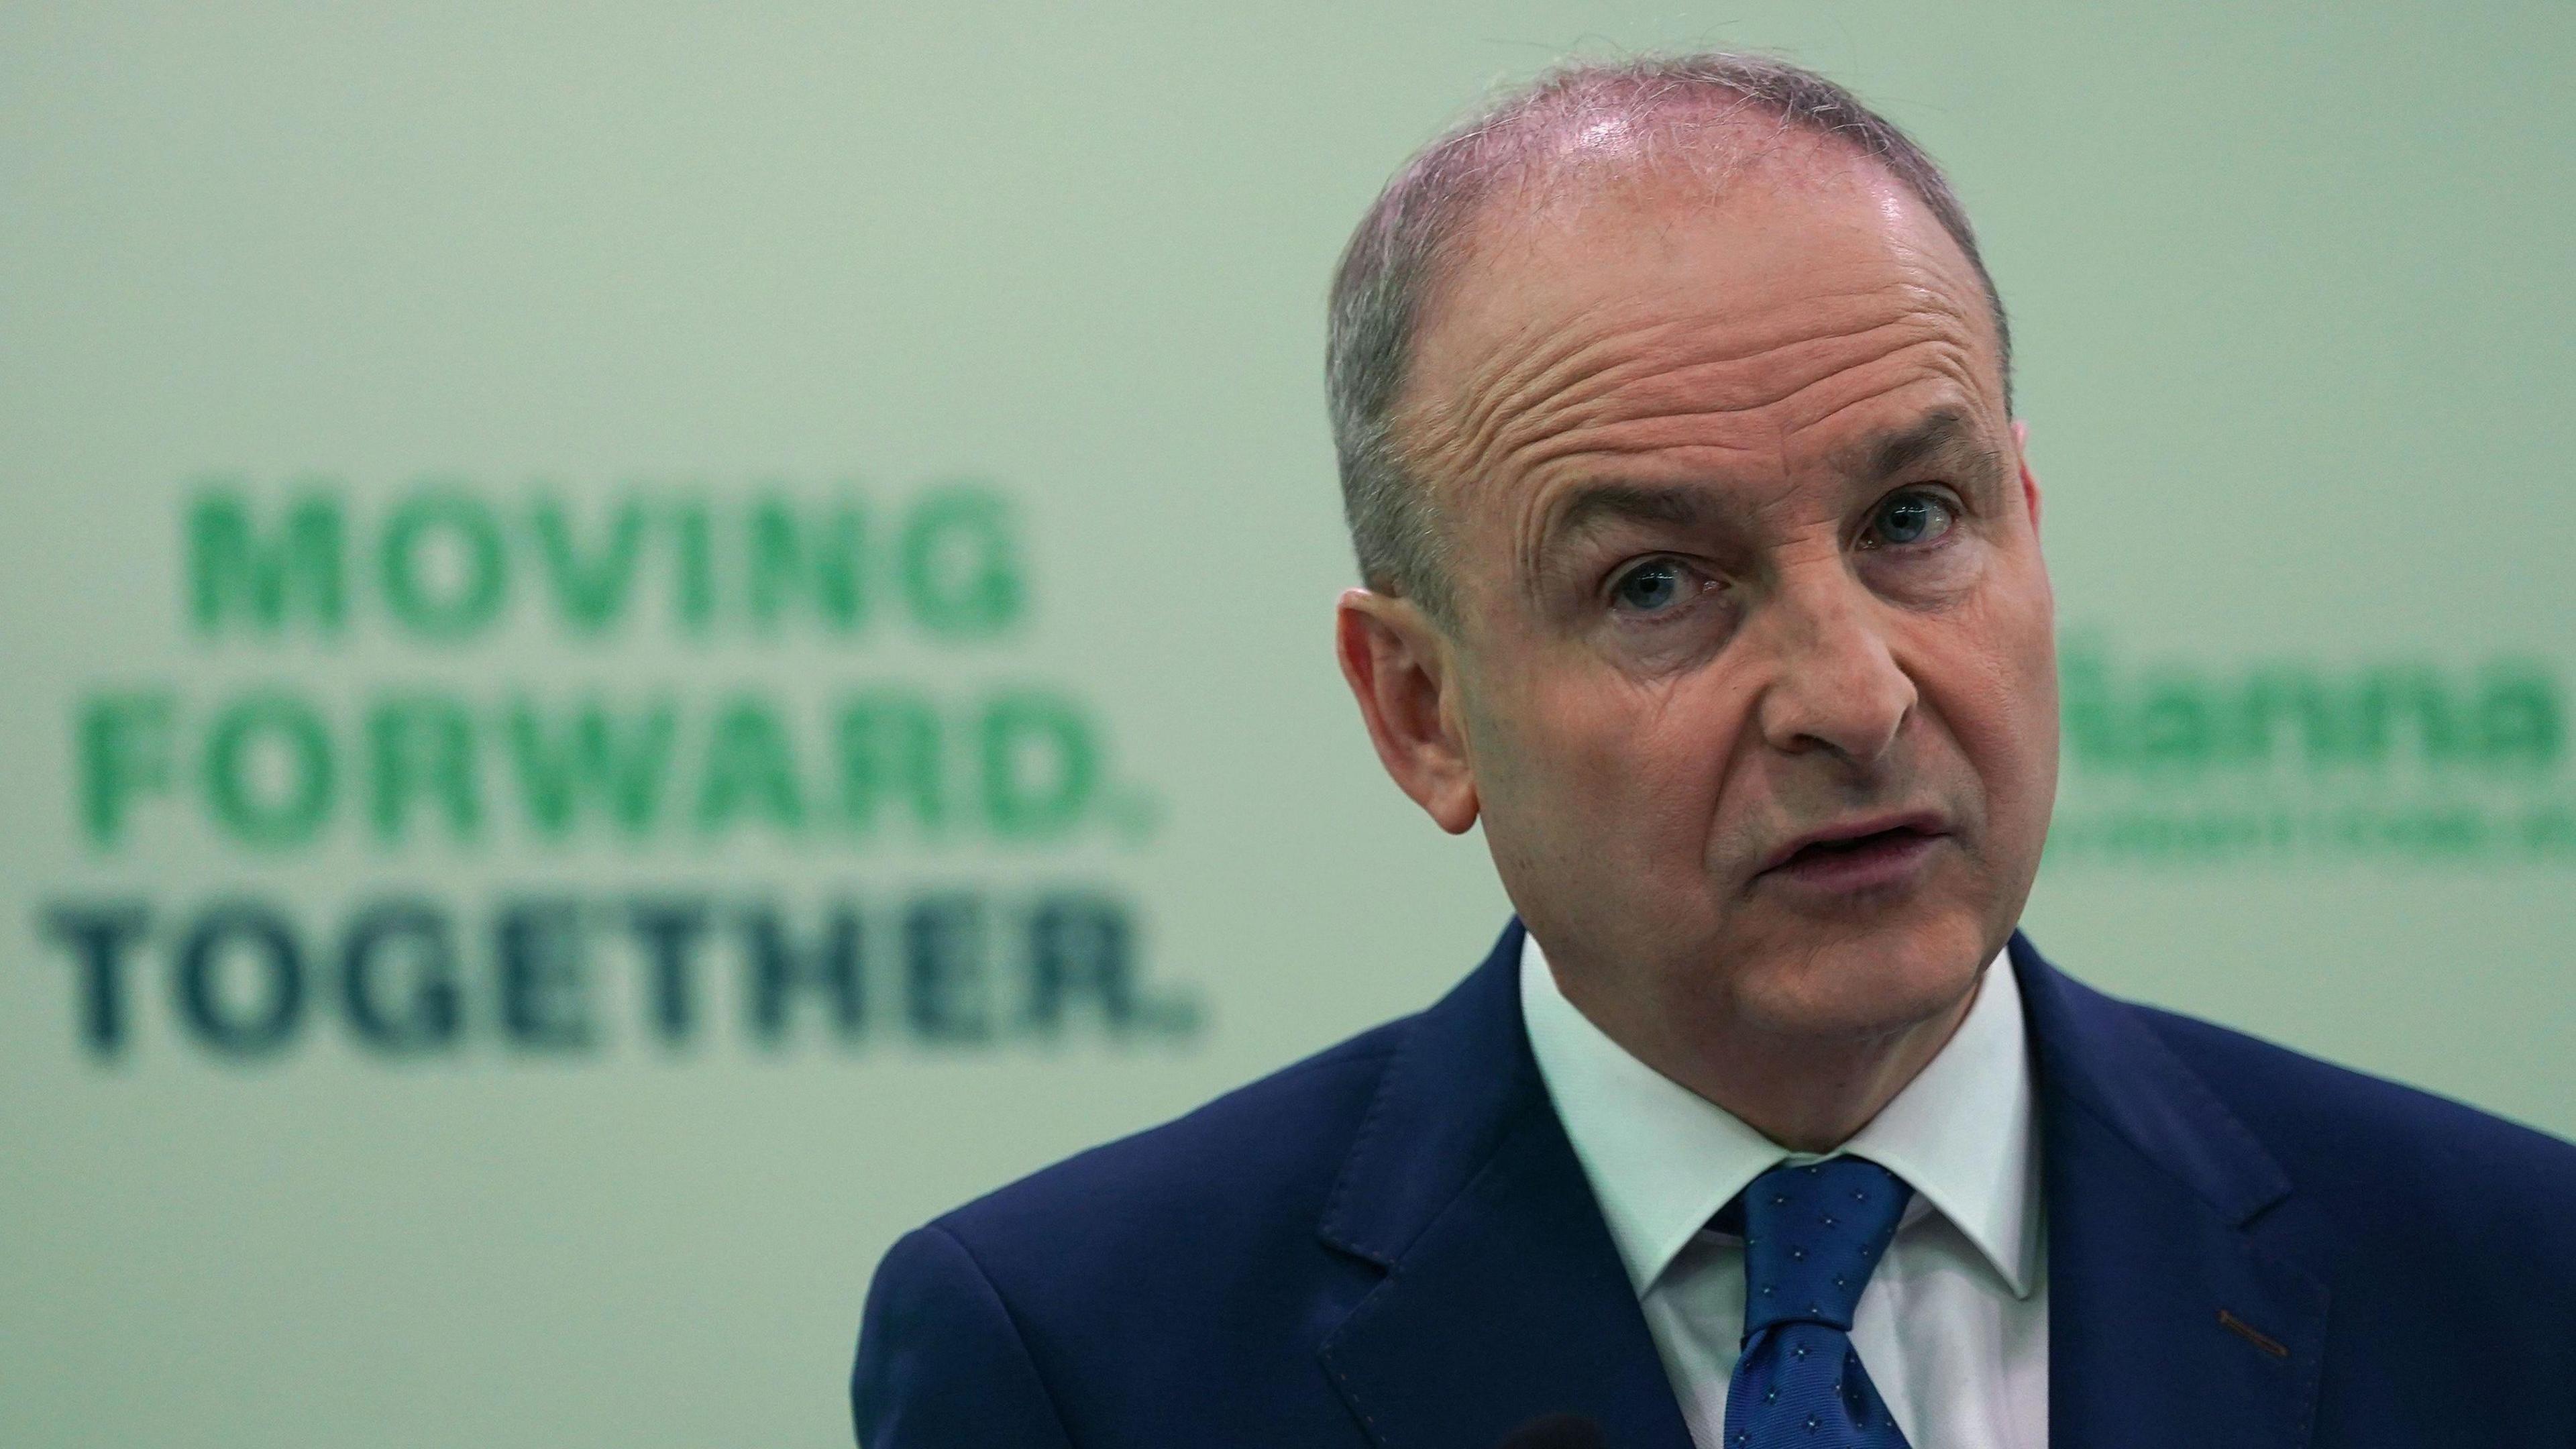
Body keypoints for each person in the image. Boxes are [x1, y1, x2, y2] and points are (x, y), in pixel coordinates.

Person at [851, 53, 2576, 1448]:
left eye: (1913, 518)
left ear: (2029, 525)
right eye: (1657, 582)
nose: (1856, 695)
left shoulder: (2515, 1278)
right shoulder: (1076, 1365)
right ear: (1421, 712)